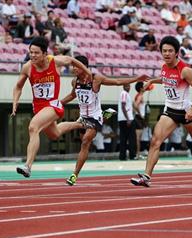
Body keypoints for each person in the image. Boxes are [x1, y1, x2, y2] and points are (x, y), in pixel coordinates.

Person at [130, 36, 192, 187]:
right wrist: (152, 81)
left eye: (170, 51)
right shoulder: (164, 67)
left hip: (186, 111)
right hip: (170, 111)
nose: (166, 54)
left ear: (177, 53)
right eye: (164, 51)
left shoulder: (185, 70)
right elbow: (165, 79)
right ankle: (146, 176)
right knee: (155, 141)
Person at [60, 55, 148, 185]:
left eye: (75, 66)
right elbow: (73, 95)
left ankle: (74, 175)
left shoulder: (96, 79)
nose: (73, 69)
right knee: (76, 137)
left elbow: (117, 82)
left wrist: (137, 79)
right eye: (72, 66)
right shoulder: (75, 81)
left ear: (82, 67)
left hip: (94, 117)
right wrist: (59, 103)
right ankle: (106, 114)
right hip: (83, 117)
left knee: (85, 142)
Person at [12, 37, 92, 178]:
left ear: (44, 53)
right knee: (54, 134)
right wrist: (15, 102)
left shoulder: (55, 61)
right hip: (39, 107)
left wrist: (87, 72)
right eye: (31, 52)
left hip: (53, 104)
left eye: (36, 53)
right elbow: (18, 86)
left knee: (33, 127)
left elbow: (72, 60)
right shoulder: (27, 67)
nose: (33, 56)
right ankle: (80, 123)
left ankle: (28, 166)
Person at [133, 82, 146, 160]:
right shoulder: (140, 96)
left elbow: (134, 105)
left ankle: (137, 154)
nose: (145, 87)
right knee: (138, 138)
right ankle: (137, 154)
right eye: (143, 86)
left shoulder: (138, 95)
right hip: (139, 118)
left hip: (138, 117)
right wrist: (140, 114)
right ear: (141, 88)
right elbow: (135, 105)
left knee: (138, 138)